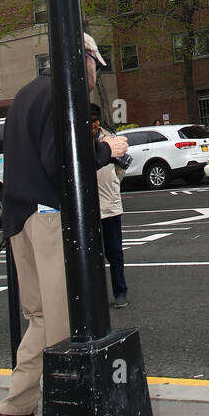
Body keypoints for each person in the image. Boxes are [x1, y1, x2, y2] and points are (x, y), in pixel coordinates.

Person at [0, 34, 130, 416]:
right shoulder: (60, 94)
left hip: (18, 219)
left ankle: (15, 408)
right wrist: (107, 151)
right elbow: (60, 164)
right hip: (48, 216)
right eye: (95, 64)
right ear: (82, 58)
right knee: (62, 321)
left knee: (38, 317)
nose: (95, 73)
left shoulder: (25, 95)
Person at [90, 104, 130, 308]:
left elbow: (121, 169)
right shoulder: (77, 138)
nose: (93, 124)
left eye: (95, 120)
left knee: (114, 251)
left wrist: (113, 183)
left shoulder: (110, 139)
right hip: (88, 208)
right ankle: (95, 296)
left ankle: (120, 292)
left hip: (110, 204)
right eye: (89, 120)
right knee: (91, 254)